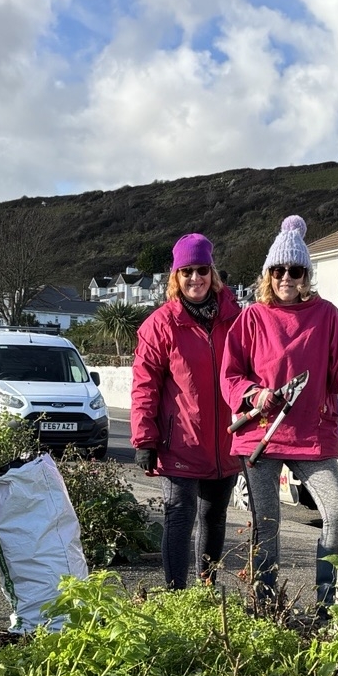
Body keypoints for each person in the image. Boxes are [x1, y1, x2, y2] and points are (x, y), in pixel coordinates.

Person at [220, 216, 338, 609]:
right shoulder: (251, 318)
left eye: (295, 271)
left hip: (312, 436)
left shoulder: (328, 316)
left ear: (306, 276)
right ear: (268, 274)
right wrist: (254, 394)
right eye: (278, 270)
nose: (286, 278)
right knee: (268, 525)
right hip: (259, 435)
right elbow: (230, 374)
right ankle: (263, 607)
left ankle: (329, 607)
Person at [131, 233, 241, 590]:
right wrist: (144, 437)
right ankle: (177, 596)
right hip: (179, 440)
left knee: (215, 516)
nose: (196, 278)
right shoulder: (159, 325)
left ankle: (206, 591)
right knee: (180, 515)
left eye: (202, 270)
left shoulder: (235, 317)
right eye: (187, 271)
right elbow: (145, 384)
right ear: (175, 277)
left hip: (225, 439)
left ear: (213, 273)